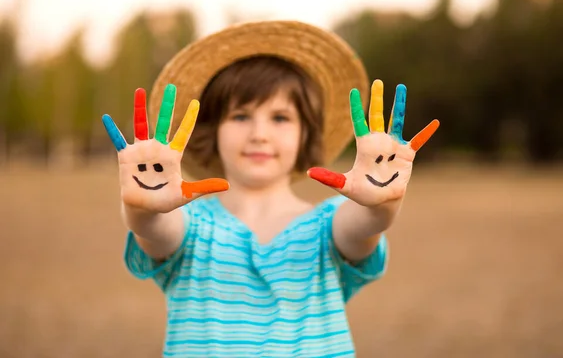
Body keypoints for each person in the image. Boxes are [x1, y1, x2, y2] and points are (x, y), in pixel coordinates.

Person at [101, 20, 439, 357]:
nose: (259, 133)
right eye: (240, 116)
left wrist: (381, 202)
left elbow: (366, 224)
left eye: (280, 118)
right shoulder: (192, 228)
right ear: (211, 131)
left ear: (305, 133)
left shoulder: (328, 226)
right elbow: (155, 229)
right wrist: (141, 207)